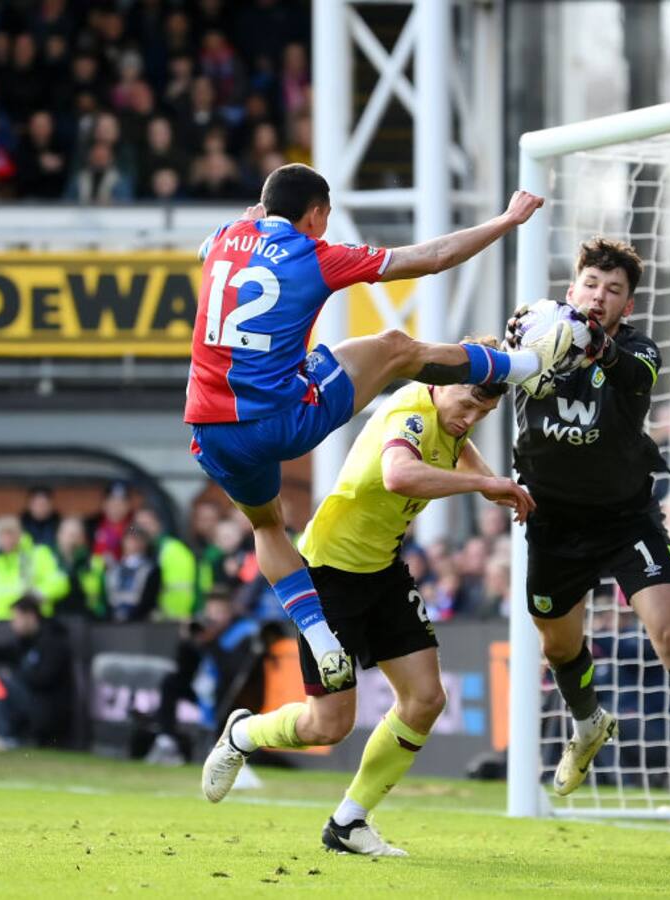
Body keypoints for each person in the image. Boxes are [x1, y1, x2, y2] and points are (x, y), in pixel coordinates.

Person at [185, 163, 574, 699]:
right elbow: (433, 258)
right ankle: (521, 367)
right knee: (394, 348)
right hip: (282, 420)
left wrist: (247, 222)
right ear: (317, 214)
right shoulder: (316, 254)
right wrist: (506, 220)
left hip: (210, 429)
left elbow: (209, 250)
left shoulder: (228, 238)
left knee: (267, 528)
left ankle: (321, 637)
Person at [200, 341, 532, 857]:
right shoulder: (409, 412)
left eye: (483, 412)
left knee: (426, 700)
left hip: (384, 571)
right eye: (467, 403)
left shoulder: (450, 418)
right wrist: (483, 482)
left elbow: (457, 439)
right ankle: (244, 733)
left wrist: (485, 478)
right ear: (439, 381)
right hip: (328, 574)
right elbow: (400, 473)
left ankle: (349, 822)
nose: (470, 418)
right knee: (326, 724)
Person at [507, 237, 670, 828]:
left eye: (614, 291)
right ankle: (587, 724)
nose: (600, 296)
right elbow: (476, 382)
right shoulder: (531, 345)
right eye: (591, 286)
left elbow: (624, 369)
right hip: (552, 523)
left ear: (628, 308)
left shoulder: (640, 352)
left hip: (627, 520)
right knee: (558, 647)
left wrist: (587, 340)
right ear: (571, 291)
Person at [145, 589, 261, 766]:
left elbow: (231, 672)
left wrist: (210, 642)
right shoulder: (204, 632)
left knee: (225, 693)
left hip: (230, 697)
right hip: (203, 691)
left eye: (219, 613)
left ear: (230, 613)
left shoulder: (242, 633)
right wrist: (186, 641)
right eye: (210, 612)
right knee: (171, 682)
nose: (213, 618)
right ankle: (167, 741)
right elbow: (183, 670)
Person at [0, 595, 72, 748]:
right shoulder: (25, 642)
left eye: (16, 618)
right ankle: (6, 733)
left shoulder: (52, 641)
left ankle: (6, 736)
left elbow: (45, 679)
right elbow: (2, 654)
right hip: (31, 704)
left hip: (49, 710)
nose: (13, 623)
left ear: (30, 616)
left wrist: (16, 674)